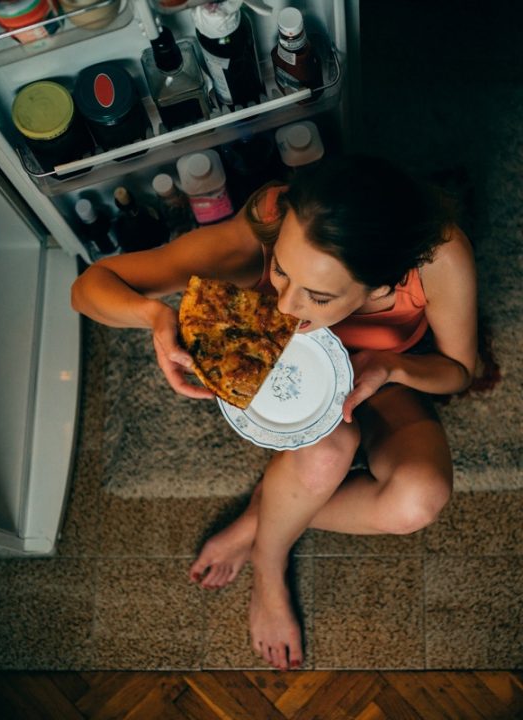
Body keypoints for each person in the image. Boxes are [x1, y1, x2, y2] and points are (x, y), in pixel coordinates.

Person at [70, 154, 477, 671]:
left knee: (419, 501)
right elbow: (88, 289)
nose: (286, 306)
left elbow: (460, 369)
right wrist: (154, 315)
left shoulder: (438, 257)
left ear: (382, 285)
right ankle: (269, 561)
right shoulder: (269, 219)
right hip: (276, 380)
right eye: (282, 272)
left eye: (319, 295)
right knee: (327, 453)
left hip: (380, 377)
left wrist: (392, 366)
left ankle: (268, 513)